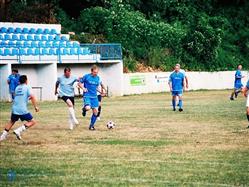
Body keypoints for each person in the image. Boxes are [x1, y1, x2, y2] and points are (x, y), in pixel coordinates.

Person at [0, 75, 39, 142]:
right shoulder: (27, 87)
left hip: (14, 108)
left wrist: (26, 98)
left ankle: (2, 136)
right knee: (32, 122)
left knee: (11, 121)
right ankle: (18, 130)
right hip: (22, 109)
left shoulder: (17, 88)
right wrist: (36, 107)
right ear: (26, 81)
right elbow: (32, 97)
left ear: (19, 81)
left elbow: (18, 97)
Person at [78, 65, 106, 130]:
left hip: (94, 96)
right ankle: (84, 109)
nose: (96, 73)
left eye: (97, 72)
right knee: (88, 108)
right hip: (87, 95)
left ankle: (91, 126)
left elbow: (95, 87)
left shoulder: (98, 78)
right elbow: (79, 83)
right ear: (91, 71)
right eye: (94, 72)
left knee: (96, 112)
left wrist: (101, 92)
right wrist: (83, 88)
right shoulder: (86, 76)